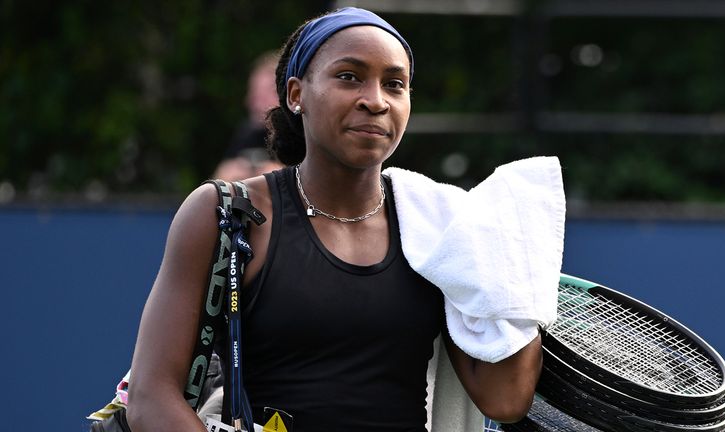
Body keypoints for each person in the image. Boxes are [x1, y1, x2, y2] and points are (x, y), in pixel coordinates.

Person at [126, 7, 546, 432]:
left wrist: (520, 261)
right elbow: (150, 396)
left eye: (394, 85)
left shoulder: (441, 226)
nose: (376, 100)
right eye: (349, 76)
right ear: (296, 95)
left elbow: (505, 398)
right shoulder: (225, 212)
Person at [213, 51, 284, 181]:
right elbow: (222, 176)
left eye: (262, 94)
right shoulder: (248, 133)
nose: (251, 102)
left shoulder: (301, 134)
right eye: (253, 93)